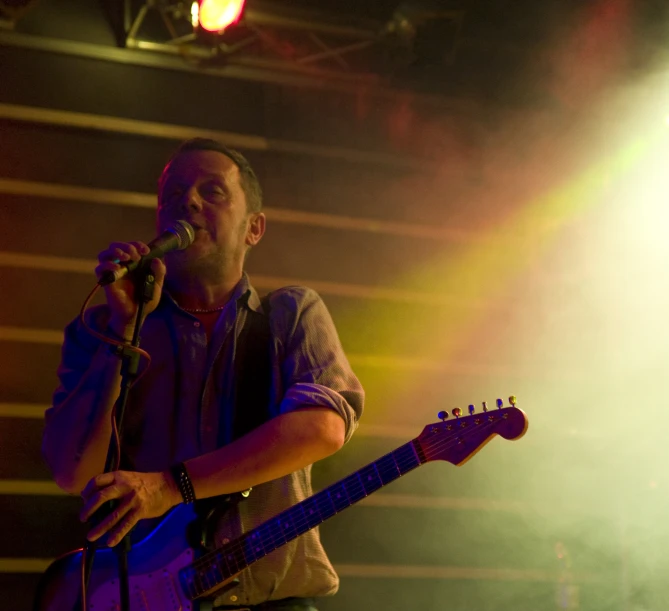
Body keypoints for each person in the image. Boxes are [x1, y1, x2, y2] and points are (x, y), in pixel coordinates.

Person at [41, 138, 365, 610]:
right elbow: (71, 470)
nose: (187, 202)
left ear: (254, 228)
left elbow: (321, 428)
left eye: (212, 191)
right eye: (172, 195)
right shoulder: (103, 326)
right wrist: (122, 331)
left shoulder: (290, 315)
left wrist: (170, 487)